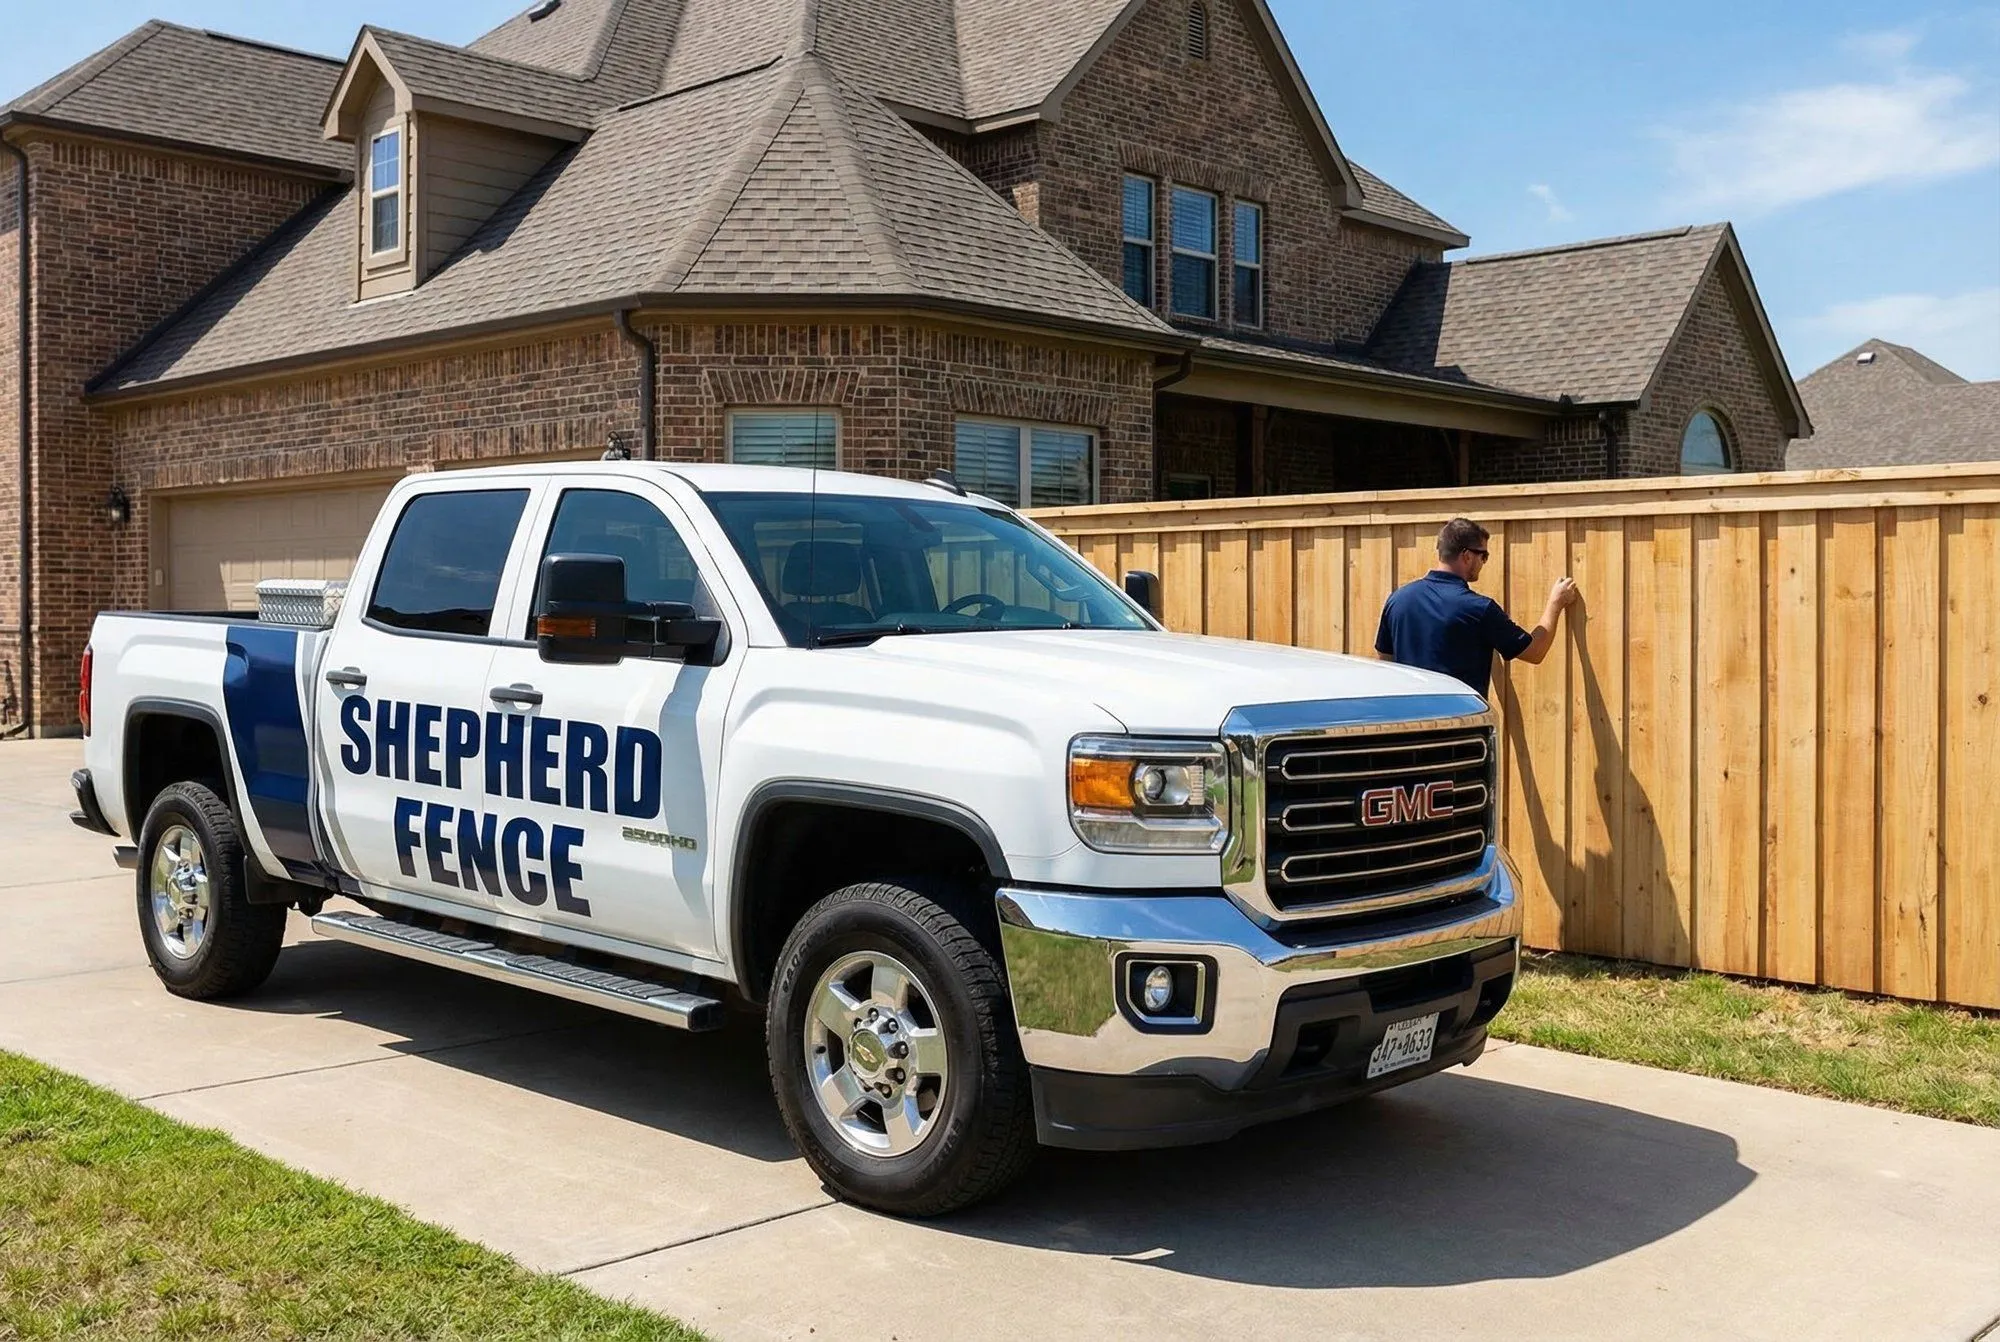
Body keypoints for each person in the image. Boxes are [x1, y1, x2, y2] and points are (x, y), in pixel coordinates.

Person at [1375, 518, 1578, 699]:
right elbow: (1534, 652)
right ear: (1467, 556)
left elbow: (1385, 661)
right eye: (1484, 555)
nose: (1484, 562)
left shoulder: (1398, 599)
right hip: (1460, 728)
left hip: (1410, 728)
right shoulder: (1478, 609)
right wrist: (1555, 603)